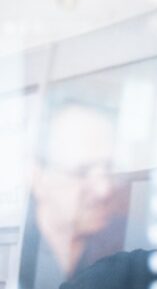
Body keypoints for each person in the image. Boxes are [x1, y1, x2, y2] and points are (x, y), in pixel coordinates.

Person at [18, 104, 131, 288]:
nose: (104, 190)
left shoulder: (130, 246)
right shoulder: (14, 259)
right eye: (82, 172)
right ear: (37, 178)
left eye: (109, 168)